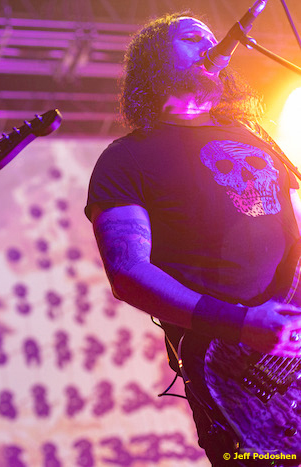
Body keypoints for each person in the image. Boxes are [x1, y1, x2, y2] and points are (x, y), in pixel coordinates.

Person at [85, 13, 301, 466]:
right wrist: (241, 323)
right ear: (155, 61)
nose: (210, 45)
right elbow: (127, 273)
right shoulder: (125, 159)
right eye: (191, 37)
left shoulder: (258, 138)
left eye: (211, 37)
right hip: (234, 364)